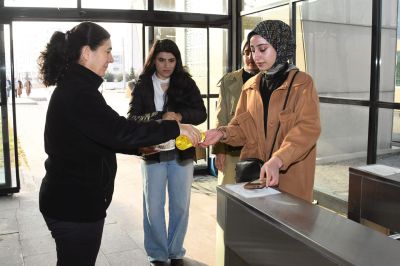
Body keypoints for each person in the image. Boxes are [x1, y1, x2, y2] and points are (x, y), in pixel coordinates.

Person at [37, 22, 201, 266]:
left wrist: (137, 147)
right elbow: (120, 130)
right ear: (86, 53)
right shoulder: (79, 93)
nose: (111, 58)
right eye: (107, 50)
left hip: (73, 201)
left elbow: (105, 133)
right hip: (74, 205)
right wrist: (173, 127)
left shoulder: (79, 88)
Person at [201, 20, 321, 202]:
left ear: (280, 46)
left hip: (290, 180)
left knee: (286, 228)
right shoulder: (250, 86)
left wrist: (278, 159)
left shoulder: (302, 83)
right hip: (256, 180)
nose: (256, 56)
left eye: (262, 49)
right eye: (252, 49)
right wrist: (222, 133)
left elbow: (307, 129)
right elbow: (241, 129)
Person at [127, 39, 207, 266]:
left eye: (171, 60)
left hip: (182, 152)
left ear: (177, 61)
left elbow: (201, 113)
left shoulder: (186, 83)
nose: (166, 65)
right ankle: (157, 254)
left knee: (180, 205)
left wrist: (180, 116)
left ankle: (175, 251)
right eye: (161, 60)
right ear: (154, 60)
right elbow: (132, 118)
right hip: (153, 152)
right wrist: (159, 117)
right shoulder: (142, 84)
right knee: (153, 206)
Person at [212, 39, 259, 185]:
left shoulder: (268, 81)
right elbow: (221, 116)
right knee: (230, 196)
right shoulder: (229, 80)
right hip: (231, 148)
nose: (250, 57)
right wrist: (219, 149)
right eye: (246, 53)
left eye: (253, 52)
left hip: (259, 149)